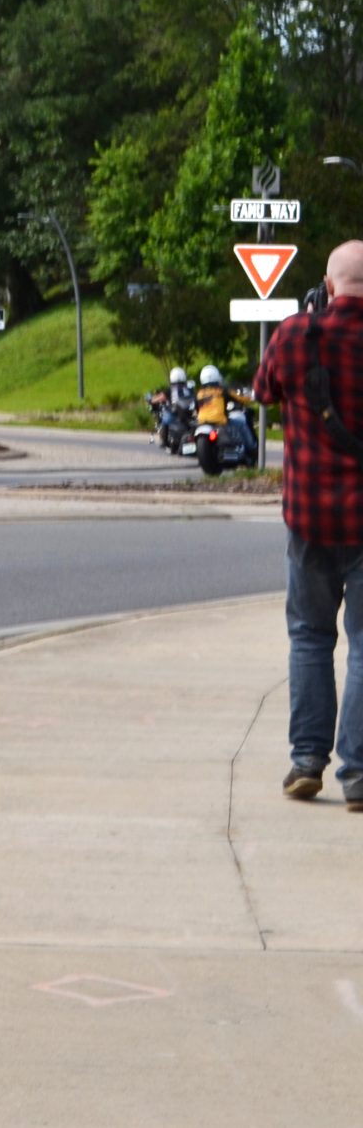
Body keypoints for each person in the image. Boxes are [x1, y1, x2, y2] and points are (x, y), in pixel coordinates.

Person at [254, 241, 363, 806]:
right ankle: (360, 771)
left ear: (328, 282)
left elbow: (263, 391)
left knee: (310, 638)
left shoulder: (298, 334)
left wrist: (309, 316)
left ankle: (307, 760)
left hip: (309, 517)